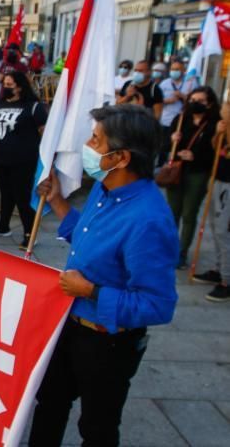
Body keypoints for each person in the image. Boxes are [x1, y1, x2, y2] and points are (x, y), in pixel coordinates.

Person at [29, 104, 178, 447]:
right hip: (68, 324)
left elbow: (157, 305)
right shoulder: (104, 188)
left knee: (97, 427)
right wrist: (59, 203)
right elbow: (87, 235)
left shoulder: (149, 220)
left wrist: (92, 291)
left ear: (120, 157)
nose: (87, 145)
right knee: (50, 402)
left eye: (95, 140)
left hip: (108, 342)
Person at [0, 71, 48, 250]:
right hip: (0, 158)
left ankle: (30, 233)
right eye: (4, 84)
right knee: (5, 193)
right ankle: (3, 226)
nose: (5, 88)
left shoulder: (33, 106)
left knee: (22, 197)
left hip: (23, 160)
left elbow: (44, 132)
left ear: (20, 86)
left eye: (9, 85)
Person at [165, 87, 220, 269]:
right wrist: (172, 139)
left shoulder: (214, 124)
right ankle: (168, 249)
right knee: (172, 212)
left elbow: (215, 152)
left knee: (189, 213)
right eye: (192, 99)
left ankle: (182, 252)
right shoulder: (180, 119)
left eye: (200, 100)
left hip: (198, 173)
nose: (195, 103)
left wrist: (195, 156)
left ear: (209, 103)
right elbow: (165, 145)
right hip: (177, 171)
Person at [193, 101, 230, 301]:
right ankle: (220, 268)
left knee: (224, 231)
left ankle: (227, 280)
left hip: (229, 186)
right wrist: (218, 133)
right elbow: (218, 150)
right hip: (219, 179)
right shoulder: (224, 124)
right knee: (216, 228)